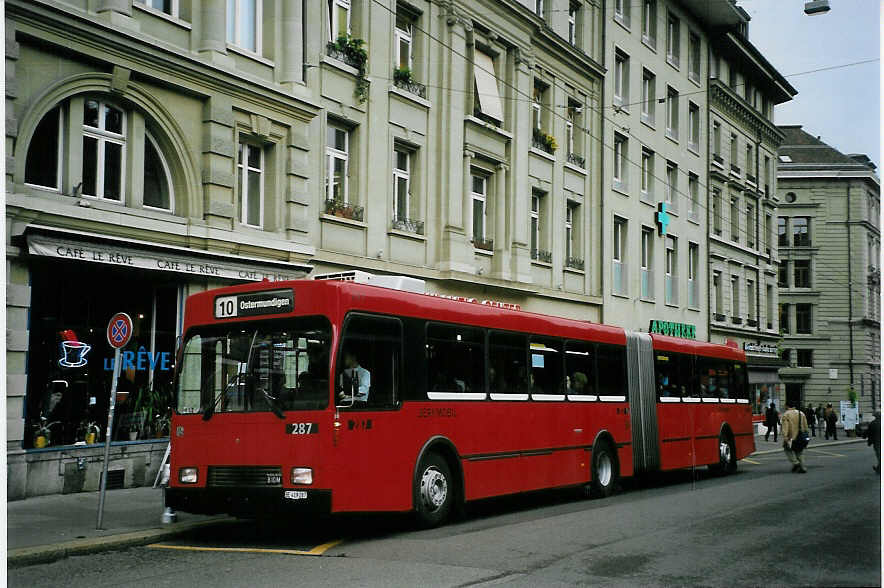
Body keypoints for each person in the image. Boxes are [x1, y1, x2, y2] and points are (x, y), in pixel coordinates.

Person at [781, 399, 809, 473]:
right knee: (799, 451)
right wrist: (806, 434)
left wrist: (785, 436)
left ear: (787, 406)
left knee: (787, 450)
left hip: (791, 437)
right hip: (801, 436)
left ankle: (796, 463)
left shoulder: (786, 414)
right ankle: (803, 467)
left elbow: (785, 427)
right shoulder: (801, 413)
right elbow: (806, 426)